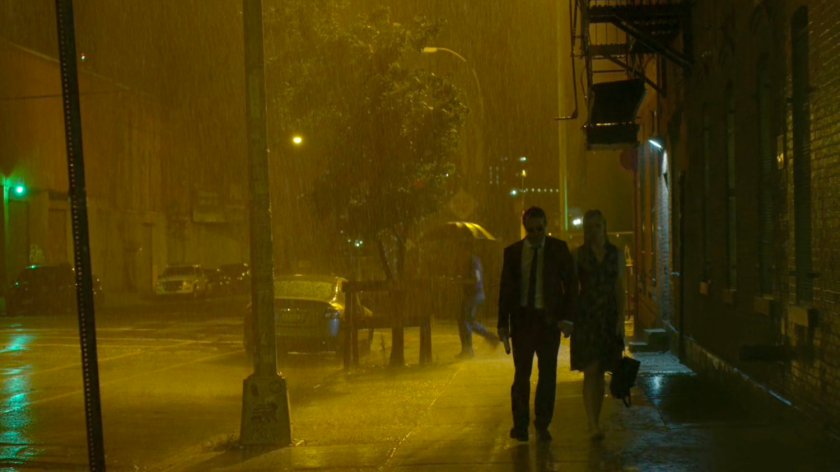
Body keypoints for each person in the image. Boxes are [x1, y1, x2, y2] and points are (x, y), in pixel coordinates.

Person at [497, 206, 577, 442]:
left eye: (539, 229)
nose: (535, 234)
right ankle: (520, 425)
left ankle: (542, 422)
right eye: (531, 230)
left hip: (548, 320)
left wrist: (568, 318)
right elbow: (506, 289)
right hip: (522, 320)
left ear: (546, 226)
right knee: (521, 374)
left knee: (547, 374)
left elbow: (571, 286)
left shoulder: (558, 250)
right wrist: (503, 323)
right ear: (525, 228)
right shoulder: (513, 253)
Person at [570, 209, 626, 441]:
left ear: (604, 228)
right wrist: (569, 318)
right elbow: (573, 289)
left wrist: (620, 319)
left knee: (601, 371)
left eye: (596, 226)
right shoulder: (579, 255)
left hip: (607, 317)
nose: (593, 231)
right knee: (590, 371)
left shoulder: (616, 254)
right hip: (587, 317)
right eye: (589, 227)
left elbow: (619, 287)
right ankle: (592, 423)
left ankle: (597, 420)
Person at [456, 246, 497, 358]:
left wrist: (462, 281)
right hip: (471, 296)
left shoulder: (473, 262)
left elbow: (476, 280)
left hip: (474, 296)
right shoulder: (469, 262)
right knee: (466, 321)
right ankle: (488, 339)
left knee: (466, 321)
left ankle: (468, 349)